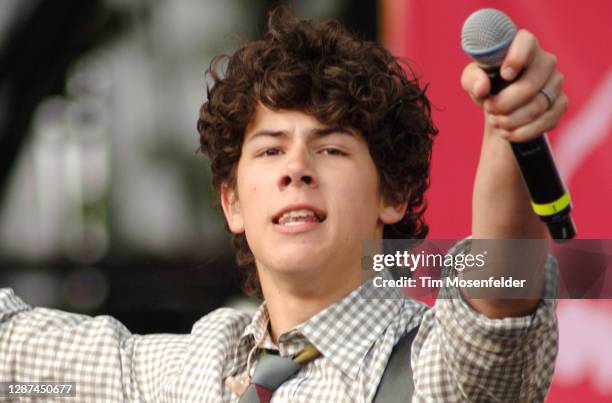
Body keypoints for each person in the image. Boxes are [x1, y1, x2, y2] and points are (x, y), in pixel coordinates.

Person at [0, 7, 565, 402]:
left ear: (391, 195)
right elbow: (19, 370)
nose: (296, 168)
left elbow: (501, 288)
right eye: (270, 150)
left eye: (331, 147)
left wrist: (508, 129)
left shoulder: (434, 368)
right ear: (233, 205)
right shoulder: (182, 372)